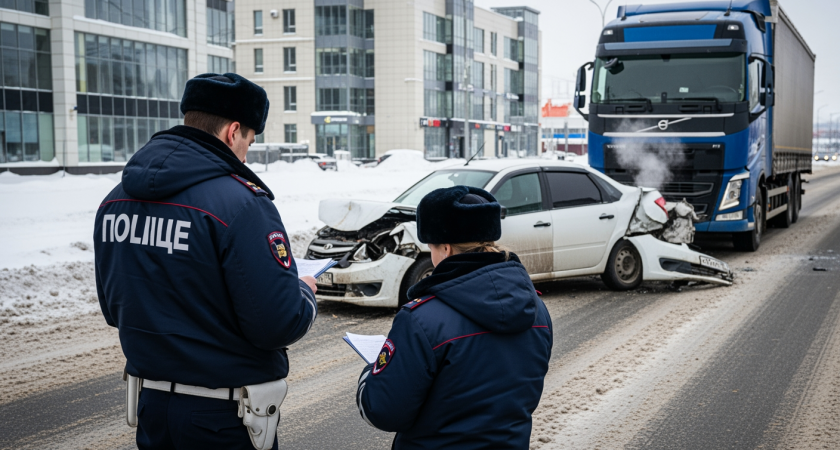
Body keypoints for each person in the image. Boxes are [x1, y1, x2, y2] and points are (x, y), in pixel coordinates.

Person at [94, 73, 317, 450]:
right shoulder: (242, 205)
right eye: (249, 141)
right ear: (233, 132)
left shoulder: (115, 201)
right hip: (222, 419)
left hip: (153, 411)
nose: (246, 155)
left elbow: (116, 307)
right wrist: (304, 294)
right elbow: (278, 324)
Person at [355, 185, 553, 449]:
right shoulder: (537, 309)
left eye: (431, 248)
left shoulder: (420, 320)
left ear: (446, 249)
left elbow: (383, 411)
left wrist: (371, 373)